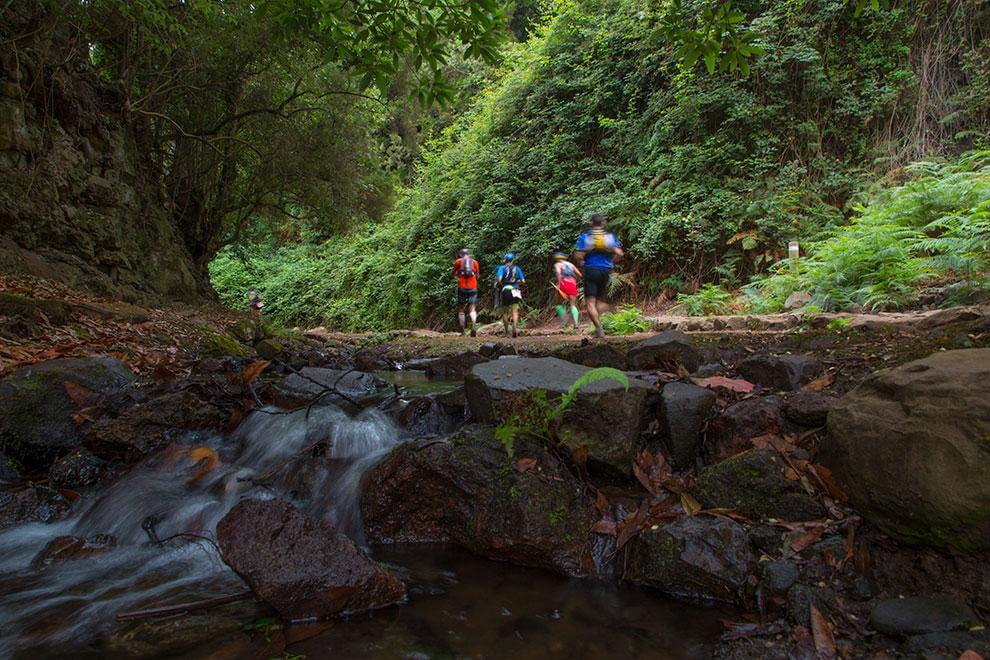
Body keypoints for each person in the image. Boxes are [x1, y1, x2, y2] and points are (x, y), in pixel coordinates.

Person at [573, 213, 623, 338]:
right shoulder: (609, 237)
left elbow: (578, 255)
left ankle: (599, 328)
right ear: (603, 223)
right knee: (599, 301)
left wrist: (581, 261)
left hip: (591, 270)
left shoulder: (586, 236)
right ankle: (609, 309)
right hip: (605, 271)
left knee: (590, 302)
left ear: (591, 223)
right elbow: (620, 253)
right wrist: (611, 262)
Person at [495, 253, 525, 337]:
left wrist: (499, 283)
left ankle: (507, 331)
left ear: (505, 260)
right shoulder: (517, 268)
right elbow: (523, 281)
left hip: (506, 290)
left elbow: (500, 279)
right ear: (512, 260)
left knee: (505, 312)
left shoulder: (502, 268)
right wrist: (516, 282)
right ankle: (515, 329)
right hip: (516, 290)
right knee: (515, 311)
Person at [551, 251, 582, 329]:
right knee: (573, 304)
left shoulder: (558, 264)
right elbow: (579, 274)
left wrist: (558, 283)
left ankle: (565, 320)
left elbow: (558, 272)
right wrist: (575, 281)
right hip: (572, 282)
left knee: (558, 304)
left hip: (563, 282)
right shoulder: (571, 264)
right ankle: (576, 323)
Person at [452, 248, 479, 336]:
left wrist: (458, 275)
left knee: (461, 309)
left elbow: (453, 274)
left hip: (462, 287)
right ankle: (474, 325)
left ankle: (462, 331)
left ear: (461, 255)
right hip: (473, 288)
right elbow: (477, 275)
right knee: (472, 308)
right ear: (469, 254)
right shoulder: (474, 262)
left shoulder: (458, 262)